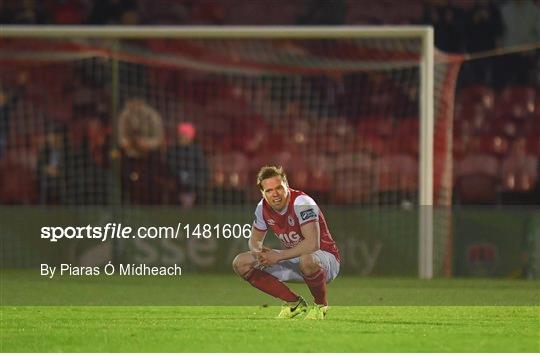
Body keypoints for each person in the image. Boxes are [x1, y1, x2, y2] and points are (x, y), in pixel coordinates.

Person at [232, 166, 340, 320]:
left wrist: (278, 256)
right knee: (241, 262)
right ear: (262, 193)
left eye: (279, 188)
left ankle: (321, 306)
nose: (275, 194)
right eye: (268, 191)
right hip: (294, 258)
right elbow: (254, 240)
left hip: (325, 260)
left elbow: (312, 244)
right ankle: (294, 303)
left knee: (307, 258)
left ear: (287, 186)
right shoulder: (262, 207)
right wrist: (259, 253)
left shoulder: (302, 202)